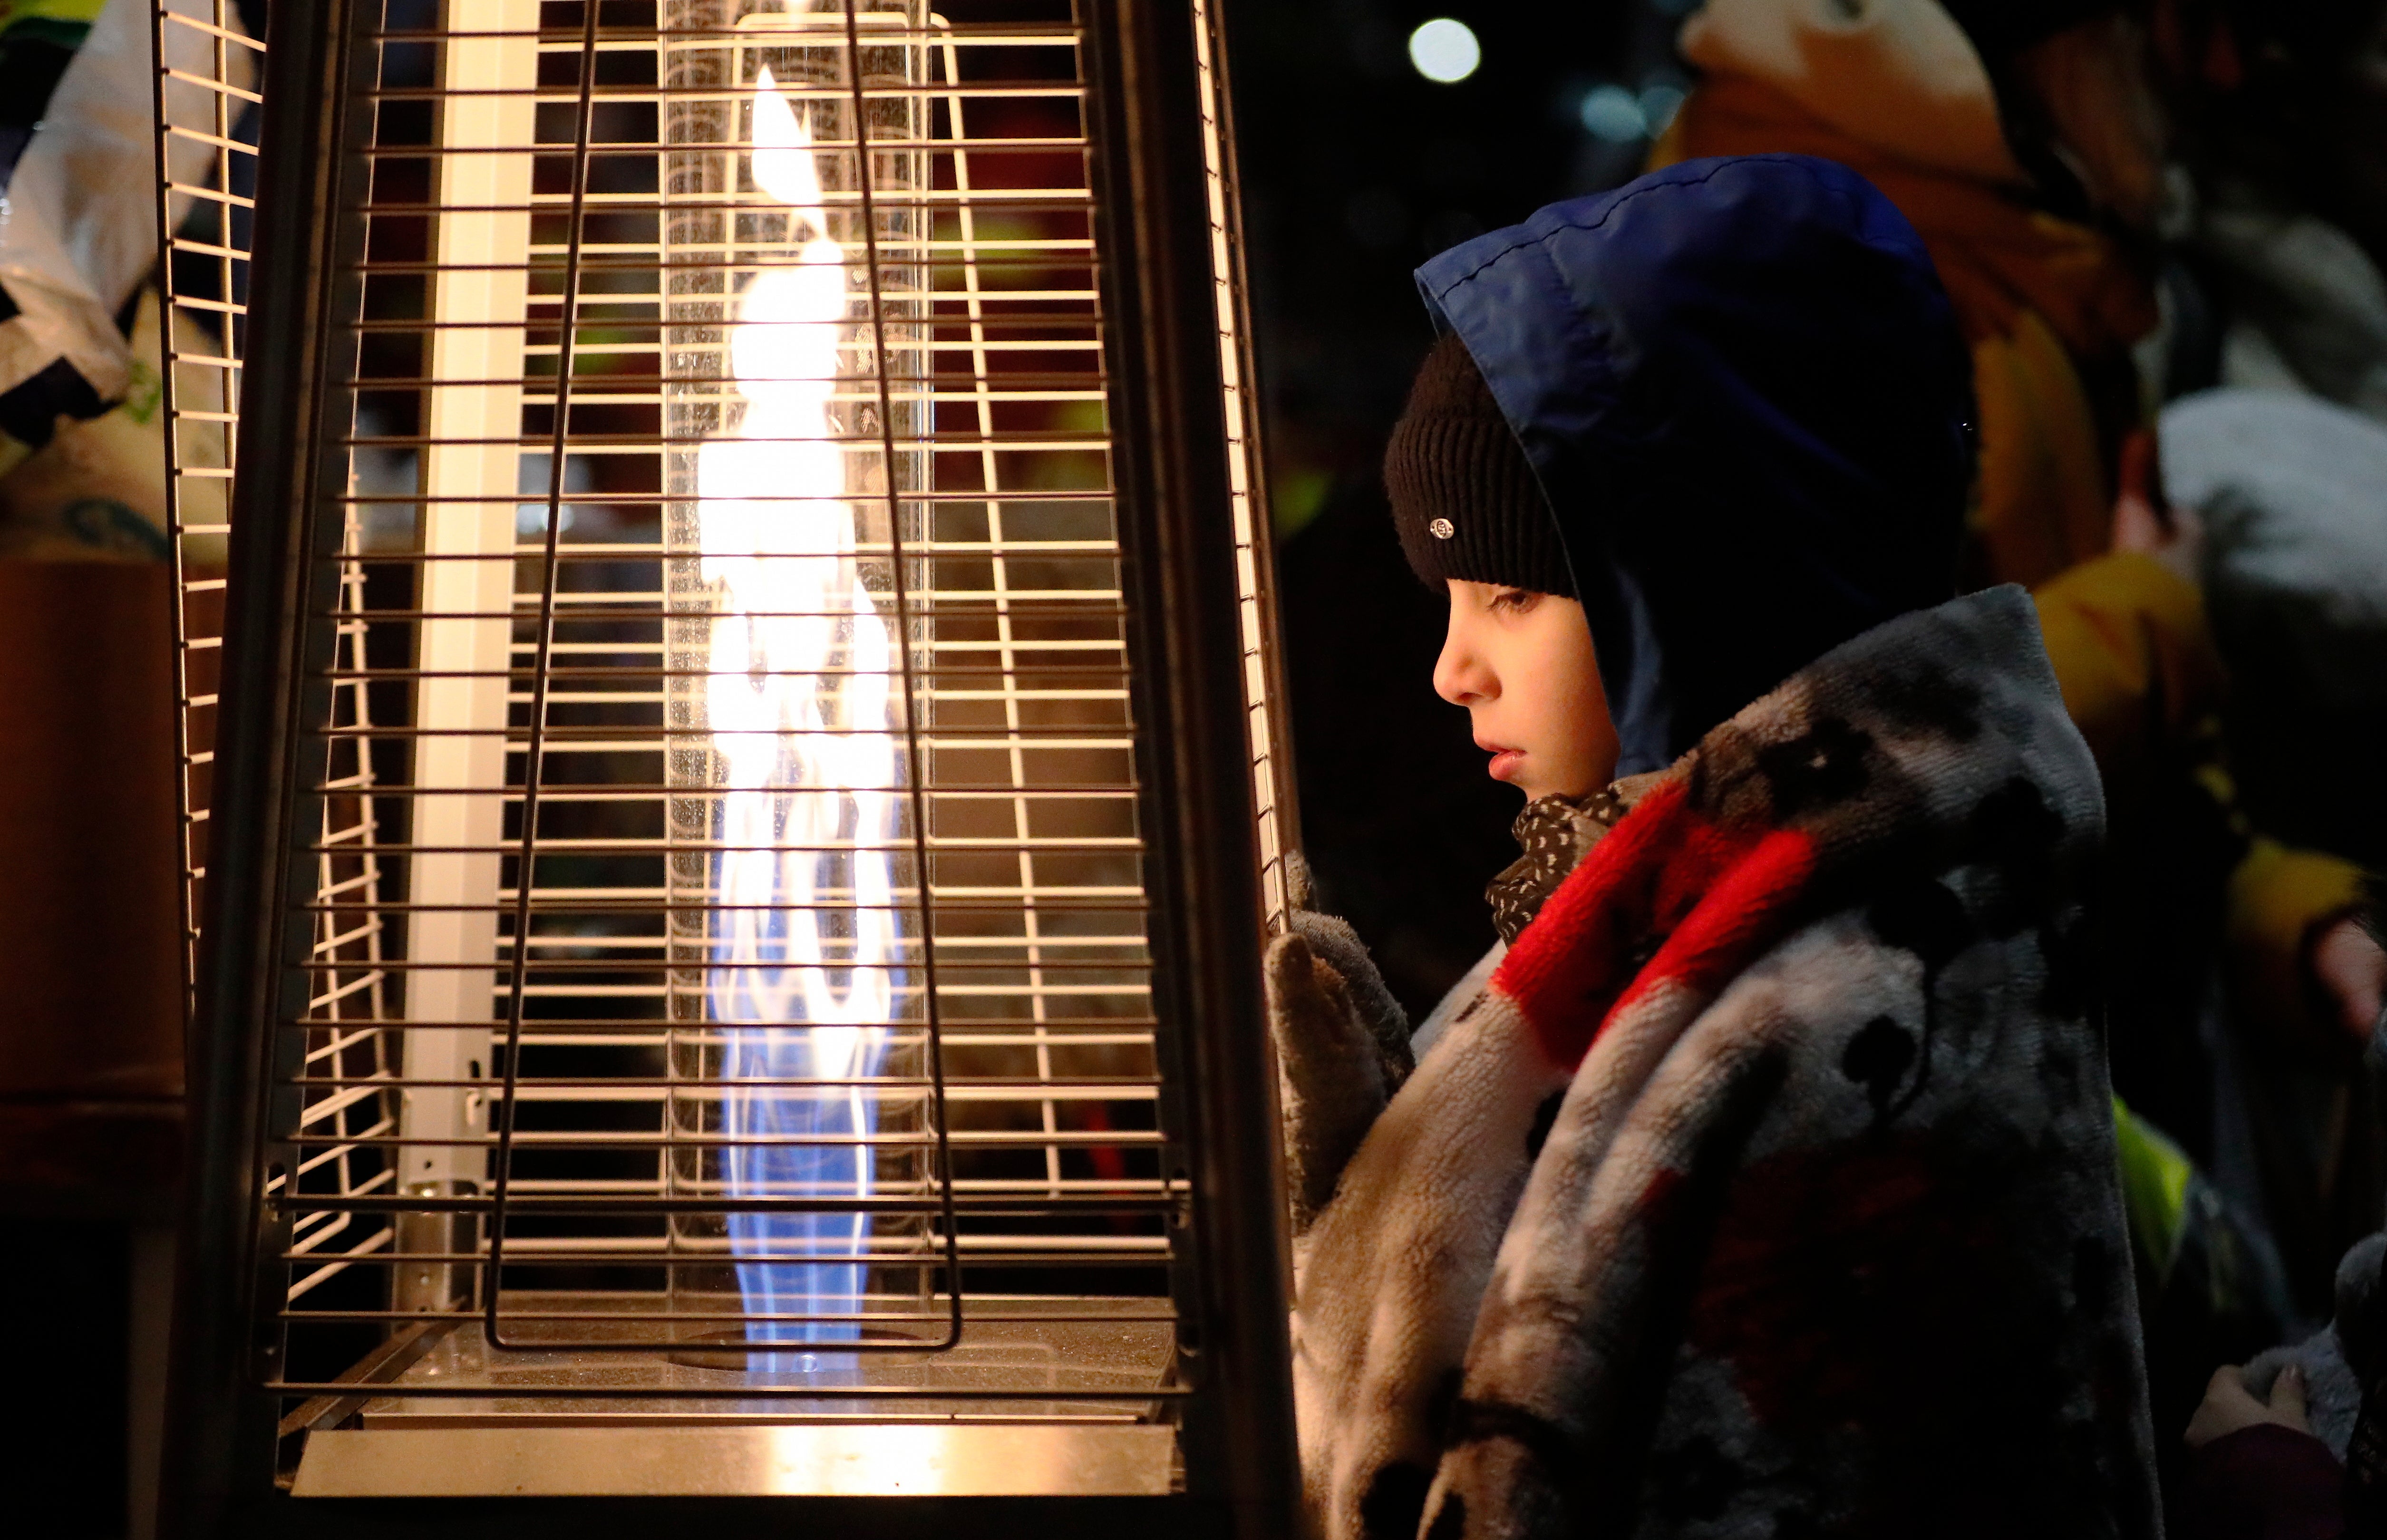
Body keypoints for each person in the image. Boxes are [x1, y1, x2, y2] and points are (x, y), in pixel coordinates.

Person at [1267, 155, 2159, 1539]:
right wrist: (1369, 1165)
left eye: (1510, 593)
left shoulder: (1858, 1014)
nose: (1454, 668)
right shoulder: (1668, 898)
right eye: (1446, 598)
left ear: (1701, 572)